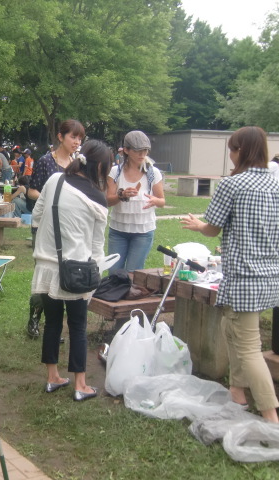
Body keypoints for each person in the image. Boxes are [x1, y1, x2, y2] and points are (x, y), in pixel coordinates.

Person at [181, 126, 279, 422]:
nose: (230, 154)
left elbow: (212, 228)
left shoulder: (232, 185)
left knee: (249, 349)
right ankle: (237, 393)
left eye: (232, 149)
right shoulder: (275, 184)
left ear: (242, 151)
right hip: (270, 277)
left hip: (244, 279)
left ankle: (271, 417)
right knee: (229, 328)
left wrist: (198, 225)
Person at [32, 140, 112, 400]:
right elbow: (97, 246)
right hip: (77, 272)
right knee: (78, 326)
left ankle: (52, 378)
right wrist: (96, 274)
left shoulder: (54, 179)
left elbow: (36, 215)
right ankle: (80, 385)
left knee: (52, 323)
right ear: (100, 167)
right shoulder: (98, 198)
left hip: (45, 266)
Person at [26, 119, 86, 339]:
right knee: (44, 276)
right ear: (60, 137)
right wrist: (51, 199)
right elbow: (31, 191)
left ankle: (55, 326)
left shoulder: (78, 164)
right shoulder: (45, 162)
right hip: (45, 228)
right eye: (73, 137)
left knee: (63, 277)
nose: (77, 142)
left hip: (68, 231)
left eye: (80, 138)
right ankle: (34, 318)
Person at [106, 130, 165, 273]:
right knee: (114, 272)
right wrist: (122, 195)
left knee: (134, 274)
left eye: (145, 151)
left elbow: (162, 200)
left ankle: (129, 295)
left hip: (143, 231)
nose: (143, 155)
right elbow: (108, 200)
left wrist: (155, 201)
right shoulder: (116, 171)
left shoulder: (153, 172)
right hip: (118, 230)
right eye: (138, 151)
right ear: (126, 150)